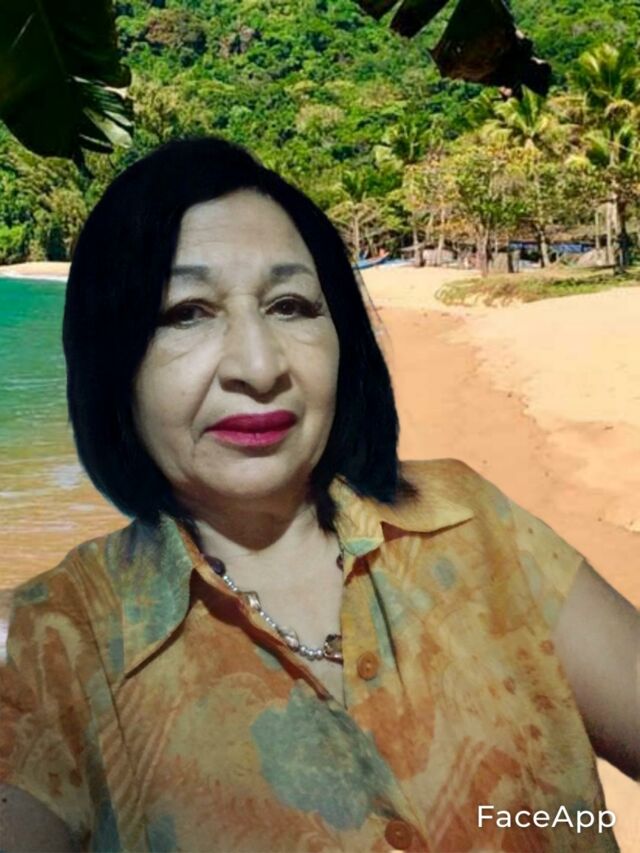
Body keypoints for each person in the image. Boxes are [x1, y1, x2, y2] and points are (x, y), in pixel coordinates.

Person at [0, 137, 637, 853]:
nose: (259, 366)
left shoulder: (471, 523)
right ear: (111, 361)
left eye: (291, 305)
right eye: (186, 312)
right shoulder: (56, 647)